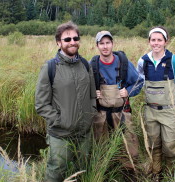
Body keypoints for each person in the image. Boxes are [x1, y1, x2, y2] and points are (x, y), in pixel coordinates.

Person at [35, 21, 97, 182]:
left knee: (82, 168)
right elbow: (41, 104)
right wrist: (60, 121)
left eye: (75, 38)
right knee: (56, 171)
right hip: (61, 133)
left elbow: (92, 96)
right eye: (67, 39)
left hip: (84, 132)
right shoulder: (50, 67)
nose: (72, 42)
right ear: (58, 42)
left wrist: (90, 115)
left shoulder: (85, 64)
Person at [137, 26, 175, 180]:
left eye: (159, 40)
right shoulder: (143, 61)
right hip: (150, 110)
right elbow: (140, 78)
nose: (156, 43)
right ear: (149, 41)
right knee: (154, 144)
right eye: (153, 40)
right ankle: (157, 173)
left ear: (165, 41)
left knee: (170, 146)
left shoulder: (174, 60)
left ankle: (169, 173)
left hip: (169, 110)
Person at [91, 31, 144, 178]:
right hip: (100, 114)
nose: (105, 46)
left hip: (122, 112)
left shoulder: (123, 62)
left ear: (112, 44)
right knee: (101, 148)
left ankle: (129, 174)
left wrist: (128, 91)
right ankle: (104, 173)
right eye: (102, 43)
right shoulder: (92, 64)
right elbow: (83, 86)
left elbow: (139, 82)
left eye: (108, 43)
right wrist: (92, 93)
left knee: (130, 148)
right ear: (97, 46)